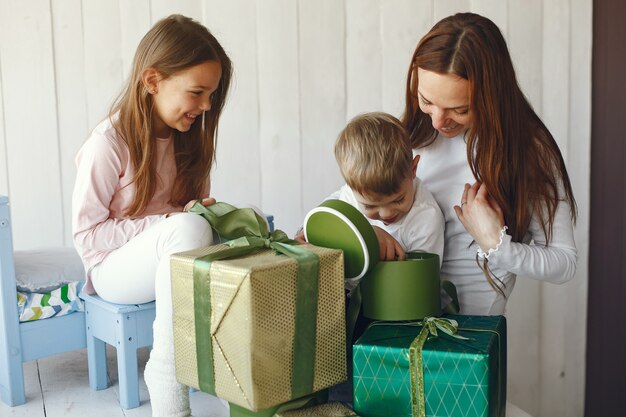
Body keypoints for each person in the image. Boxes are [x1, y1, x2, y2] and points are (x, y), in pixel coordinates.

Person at [72, 15, 232, 417]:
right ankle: (165, 378)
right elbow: (87, 237)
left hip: (172, 254)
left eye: (211, 95)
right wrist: (169, 224)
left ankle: (249, 382)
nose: (206, 106)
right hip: (113, 270)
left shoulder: (190, 142)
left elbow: (190, 221)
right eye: (197, 92)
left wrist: (203, 219)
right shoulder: (107, 145)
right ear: (152, 81)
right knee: (186, 230)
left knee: (233, 237)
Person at [402, 12, 578, 328]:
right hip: (393, 320)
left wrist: (496, 244)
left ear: (491, 98)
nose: (438, 121)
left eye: (460, 110)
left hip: (469, 339)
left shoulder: (527, 151)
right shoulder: (413, 133)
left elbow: (564, 263)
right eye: (427, 100)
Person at [327, 111, 444, 291]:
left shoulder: (425, 216)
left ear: (413, 170)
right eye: (370, 206)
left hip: (396, 301)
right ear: (350, 186)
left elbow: (418, 283)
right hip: (344, 294)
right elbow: (325, 225)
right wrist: (365, 234)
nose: (386, 213)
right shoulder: (350, 195)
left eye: (398, 200)